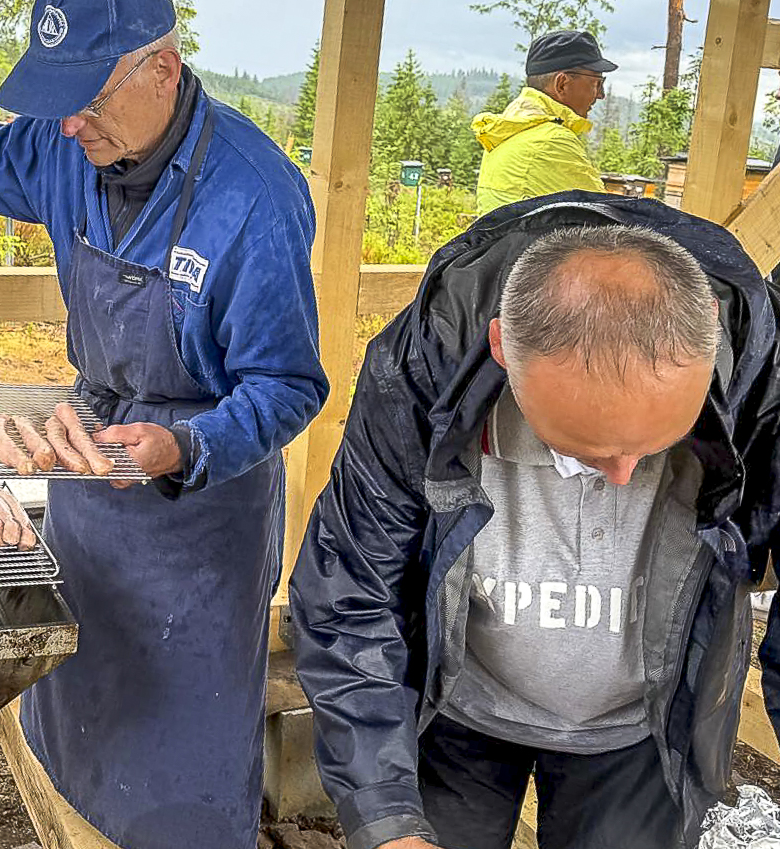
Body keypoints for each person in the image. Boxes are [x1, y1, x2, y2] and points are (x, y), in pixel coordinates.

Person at [0, 0, 328, 849]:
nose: (67, 122)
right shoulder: (65, 146)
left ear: (162, 69)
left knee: (180, 757)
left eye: (87, 98)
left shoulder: (254, 197)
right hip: (89, 472)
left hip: (203, 512)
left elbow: (288, 387)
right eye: (57, 98)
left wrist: (183, 449)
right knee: (84, 703)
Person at [289, 191, 780, 849]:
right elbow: (351, 589)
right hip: (452, 710)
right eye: (583, 449)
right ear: (502, 346)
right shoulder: (423, 369)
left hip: (647, 734)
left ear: (710, 333)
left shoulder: (760, 376)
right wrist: (384, 813)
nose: (622, 476)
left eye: (656, 446)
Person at [473, 29, 617, 214]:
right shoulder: (551, 140)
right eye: (597, 83)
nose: (601, 95)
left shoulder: (510, 129)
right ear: (562, 84)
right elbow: (605, 216)